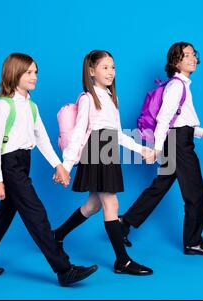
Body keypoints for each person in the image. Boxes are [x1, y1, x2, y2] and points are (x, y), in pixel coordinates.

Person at [0, 53, 97, 287]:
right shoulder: (1, 106)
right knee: (37, 214)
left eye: (36, 72)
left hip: (24, 162)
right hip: (9, 164)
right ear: (15, 74)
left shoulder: (31, 107)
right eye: (29, 73)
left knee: (4, 215)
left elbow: (41, 138)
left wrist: (59, 165)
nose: (35, 77)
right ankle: (64, 269)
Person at [53, 50, 154, 276]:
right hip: (97, 151)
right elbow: (79, 133)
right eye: (105, 67)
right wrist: (66, 166)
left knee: (93, 205)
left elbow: (117, 134)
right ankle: (122, 261)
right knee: (112, 205)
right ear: (91, 71)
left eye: (113, 67)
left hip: (108, 150)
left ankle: (57, 235)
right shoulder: (88, 98)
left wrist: (141, 149)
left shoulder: (111, 97)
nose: (110, 72)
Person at [119, 42, 203, 256]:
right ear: (176, 61)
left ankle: (123, 223)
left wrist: (202, 132)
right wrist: (156, 149)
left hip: (178, 139)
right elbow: (164, 119)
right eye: (187, 56)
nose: (193, 59)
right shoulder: (176, 86)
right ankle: (193, 242)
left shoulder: (181, 85)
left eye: (194, 55)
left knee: (160, 187)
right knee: (195, 194)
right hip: (178, 145)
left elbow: (179, 121)